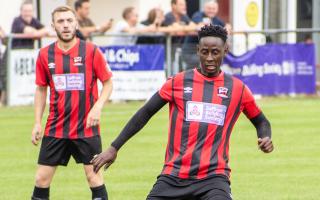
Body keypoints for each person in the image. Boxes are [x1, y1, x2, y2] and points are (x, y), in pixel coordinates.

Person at [91, 25, 274, 200]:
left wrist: (264, 136)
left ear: (225, 50)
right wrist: (114, 147)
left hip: (214, 178)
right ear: (197, 50)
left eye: (215, 52)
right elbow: (146, 112)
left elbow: (261, 122)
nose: (209, 58)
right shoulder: (178, 82)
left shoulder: (237, 89)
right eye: (205, 52)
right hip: (174, 175)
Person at [31, 6, 113, 200]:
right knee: (41, 179)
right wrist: (37, 122)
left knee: (94, 178)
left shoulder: (91, 51)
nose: (66, 25)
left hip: (86, 128)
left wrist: (98, 106)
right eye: (60, 21)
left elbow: (108, 83)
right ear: (53, 26)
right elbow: (41, 89)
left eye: (69, 21)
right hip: (55, 128)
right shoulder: (44, 55)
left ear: (76, 23)